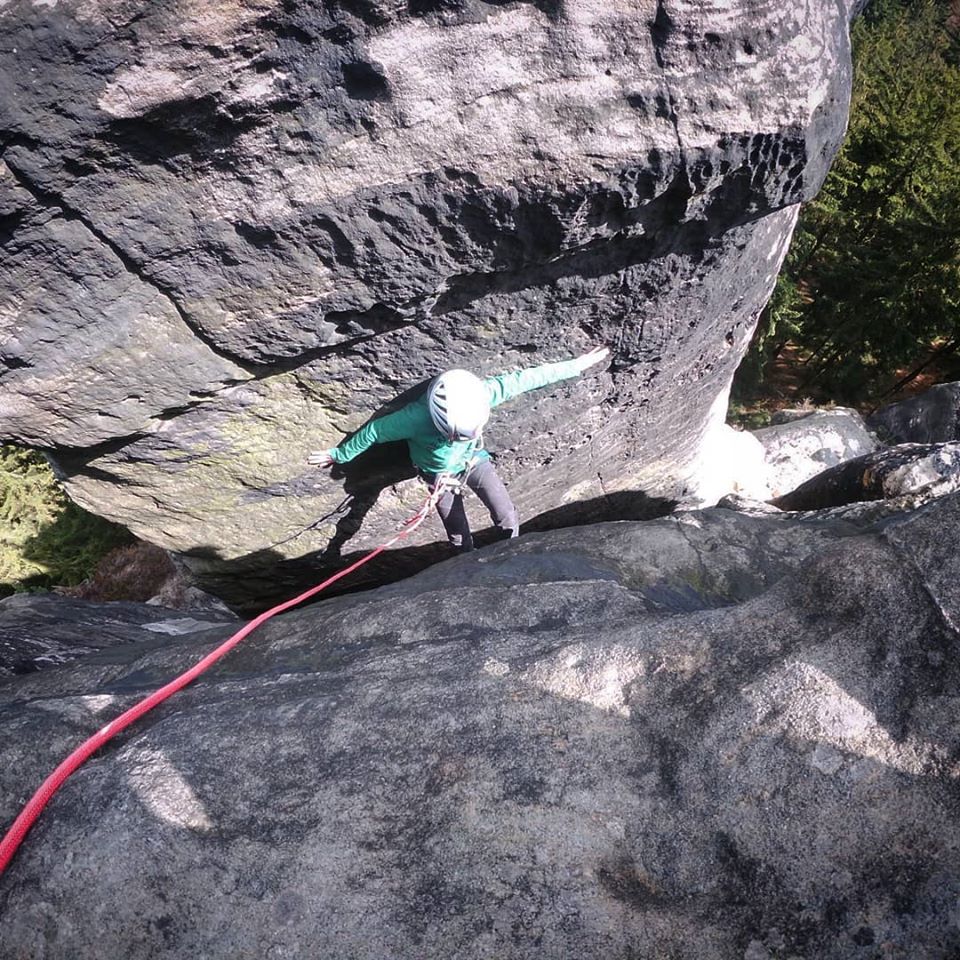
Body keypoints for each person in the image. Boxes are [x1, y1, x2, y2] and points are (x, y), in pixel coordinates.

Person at [308, 346, 610, 551]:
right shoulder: (414, 418)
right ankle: (465, 566)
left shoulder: (481, 394)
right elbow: (373, 431)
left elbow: (527, 378)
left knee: (506, 514)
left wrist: (576, 365)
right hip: (436, 477)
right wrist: (339, 455)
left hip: (473, 461)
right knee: (457, 535)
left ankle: (510, 552)